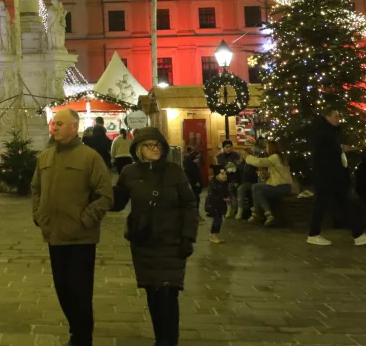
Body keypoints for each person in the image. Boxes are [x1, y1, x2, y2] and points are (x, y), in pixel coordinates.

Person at [31, 108, 112, 346]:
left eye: (60, 123)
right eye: (54, 124)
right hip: (54, 234)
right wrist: (39, 215)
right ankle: (76, 331)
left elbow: (105, 196)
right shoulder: (45, 157)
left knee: (80, 291)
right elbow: (36, 189)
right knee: (63, 289)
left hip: (81, 238)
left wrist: (85, 220)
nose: (54, 127)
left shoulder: (90, 157)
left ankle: (82, 337)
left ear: (74, 127)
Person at [112, 126, 197, 346]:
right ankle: (161, 337)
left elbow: (189, 205)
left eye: (158, 145)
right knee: (153, 291)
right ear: (139, 149)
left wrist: (188, 236)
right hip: (144, 242)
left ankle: (168, 341)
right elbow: (117, 201)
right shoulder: (130, 173)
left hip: (172, 241)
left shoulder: (174, 171)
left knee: (168, 292)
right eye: (150, 145)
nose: (155, 149)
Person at [306, 107, 366, 246]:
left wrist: (345, 148)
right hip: (328, 175)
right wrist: (343, 148)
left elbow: (333, 148)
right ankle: (315, 233)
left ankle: (357, 234)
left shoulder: (328, 131)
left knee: (339, 203)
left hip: (330, 175)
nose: (338, 118)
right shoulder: (323, 131)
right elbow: (328, 150)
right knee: (326, 204)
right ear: (327, 116)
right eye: (335, 115)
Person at [244, 141, 294, 226]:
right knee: (258, 191)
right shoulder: (278, 157)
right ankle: (268, 215)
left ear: (271, 148)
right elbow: (276, 174)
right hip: (281, 185)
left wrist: (247, 157)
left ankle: (258, 214)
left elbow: (259, 162)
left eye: (267, 147)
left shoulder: (275, 157)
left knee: (256, 187)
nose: (266, 149)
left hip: (282, 186)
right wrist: (265, 175)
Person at [205, 168, 230, 244]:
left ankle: (215, 235)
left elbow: (225, 193)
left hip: (218, 205)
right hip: (212, 205)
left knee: (219, 220)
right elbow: (215, 194)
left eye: (226, 174)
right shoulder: (214, 183)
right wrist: (224, 198)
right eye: (222, 174)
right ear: (217, 175)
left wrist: (227, 198)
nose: (224, 176)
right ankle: (213, 236)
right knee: (217, 220)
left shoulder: (224, 183)